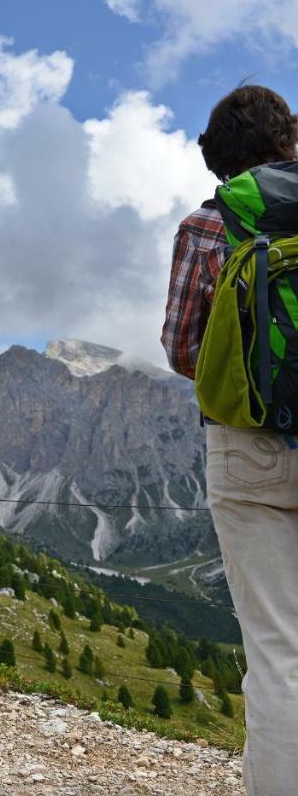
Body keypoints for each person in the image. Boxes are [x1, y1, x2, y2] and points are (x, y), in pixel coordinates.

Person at [161, 84, 298, 795]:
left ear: (220, 161)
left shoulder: (206, 227)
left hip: (247, 448)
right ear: (288, 143)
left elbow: (182, 349)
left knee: (277, 652)